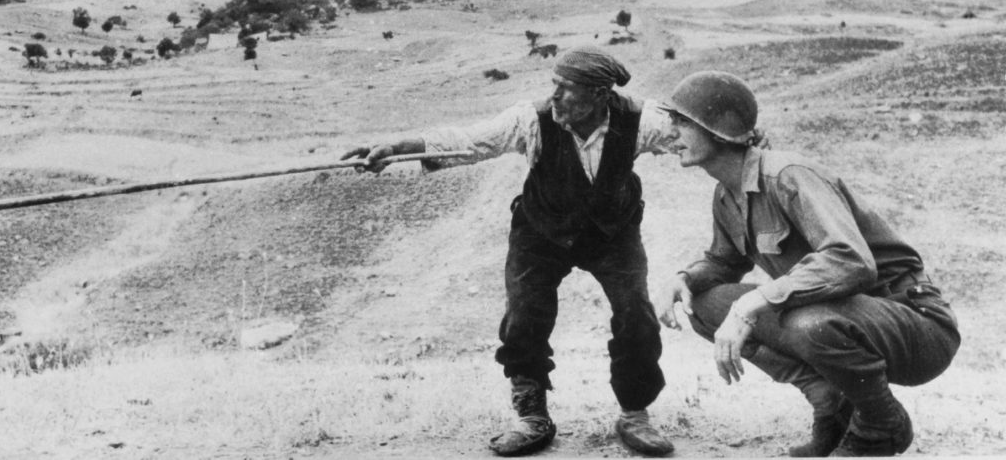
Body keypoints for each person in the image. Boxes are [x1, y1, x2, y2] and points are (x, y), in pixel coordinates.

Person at [342, 45, 678, 457]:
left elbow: (694, 131)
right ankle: (532, 415)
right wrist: (395, 149)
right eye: (553, 86)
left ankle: (634, 414)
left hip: (612, 232)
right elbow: (467, 142)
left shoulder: (641, 118)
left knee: (636, 314)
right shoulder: (531, 120)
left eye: (566, 89)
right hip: (541, 232)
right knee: (524, 317)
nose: (554, 97)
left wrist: (744, 138)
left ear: (599, 95)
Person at [656, 71, 960, 457]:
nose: (668, 133)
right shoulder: (726, 195)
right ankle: (828, 401)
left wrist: (754, 301)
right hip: (845, 320)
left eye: (680, 122)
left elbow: (851, 261)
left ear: (719, 130)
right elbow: (722, 263)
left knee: (806, 322)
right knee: (703, 302)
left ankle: (880, 426)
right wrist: (683, 278)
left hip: (916, 324)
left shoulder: (787, 175)